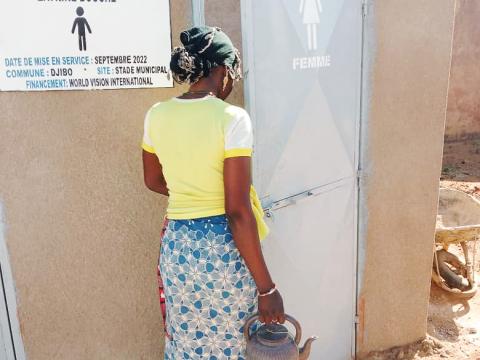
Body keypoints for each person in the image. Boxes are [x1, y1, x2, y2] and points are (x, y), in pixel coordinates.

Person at [141, 25, 285, 359]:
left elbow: (152, 180)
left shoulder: (156, 115)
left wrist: (190, 193)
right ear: (221, 70)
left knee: (188, 343)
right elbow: (237, 212)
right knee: (232, 343)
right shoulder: (232, 118)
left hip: (178, 248)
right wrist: (268, 289)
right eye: (232, 72)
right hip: (221, 251)